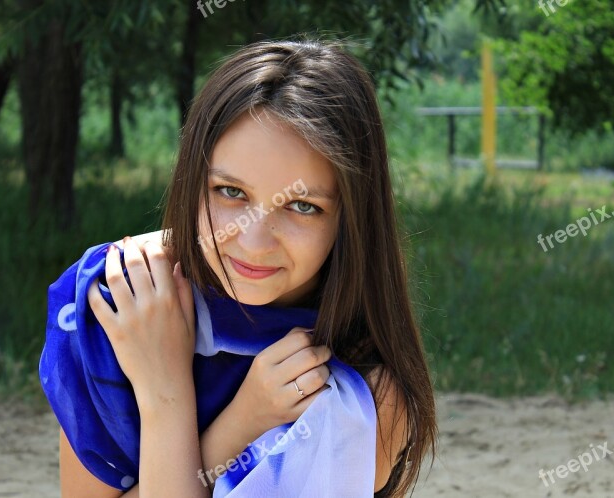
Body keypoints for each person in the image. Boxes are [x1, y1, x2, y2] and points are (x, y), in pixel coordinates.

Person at [48, 39, 437, 497]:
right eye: (230, 192)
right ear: (192, 180)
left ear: (352, 218)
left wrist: (179, 403)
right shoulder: (124, 302)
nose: (253, 242)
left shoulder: (365, 394)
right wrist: (209, 412)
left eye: (302, 205)